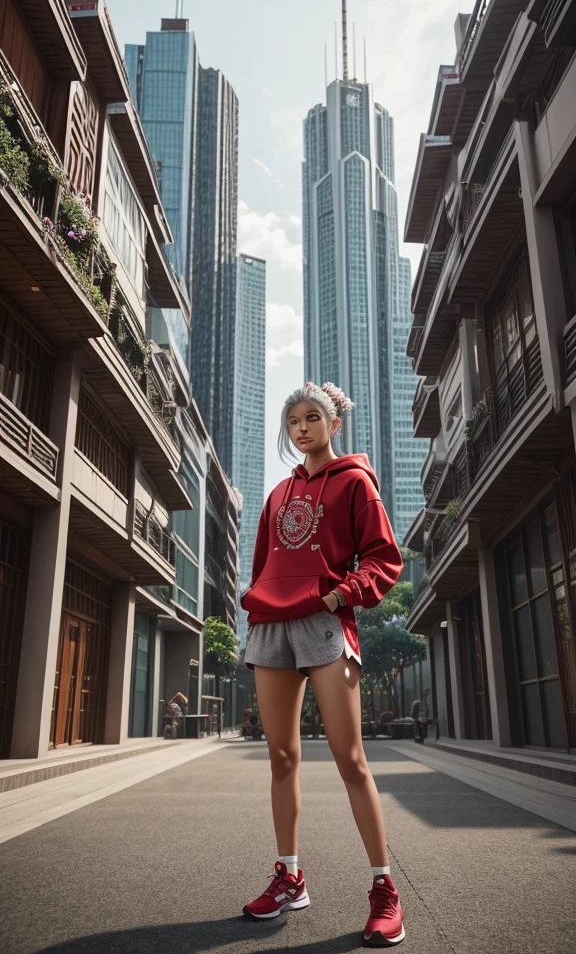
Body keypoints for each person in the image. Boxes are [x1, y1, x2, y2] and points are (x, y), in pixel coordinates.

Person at [241, 381, 405, 947]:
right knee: (281, 755)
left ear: (334, 424)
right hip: (271, 626)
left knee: (349, 756)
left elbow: (385, 558)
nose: (302, 429)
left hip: (324, 624)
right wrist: (257, 605)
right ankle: (289, 876)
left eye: (313, 418)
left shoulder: (356, 482)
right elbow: (264, 561)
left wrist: (342, 596)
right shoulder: (278, 493)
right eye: (293, 422)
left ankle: (385, 890)